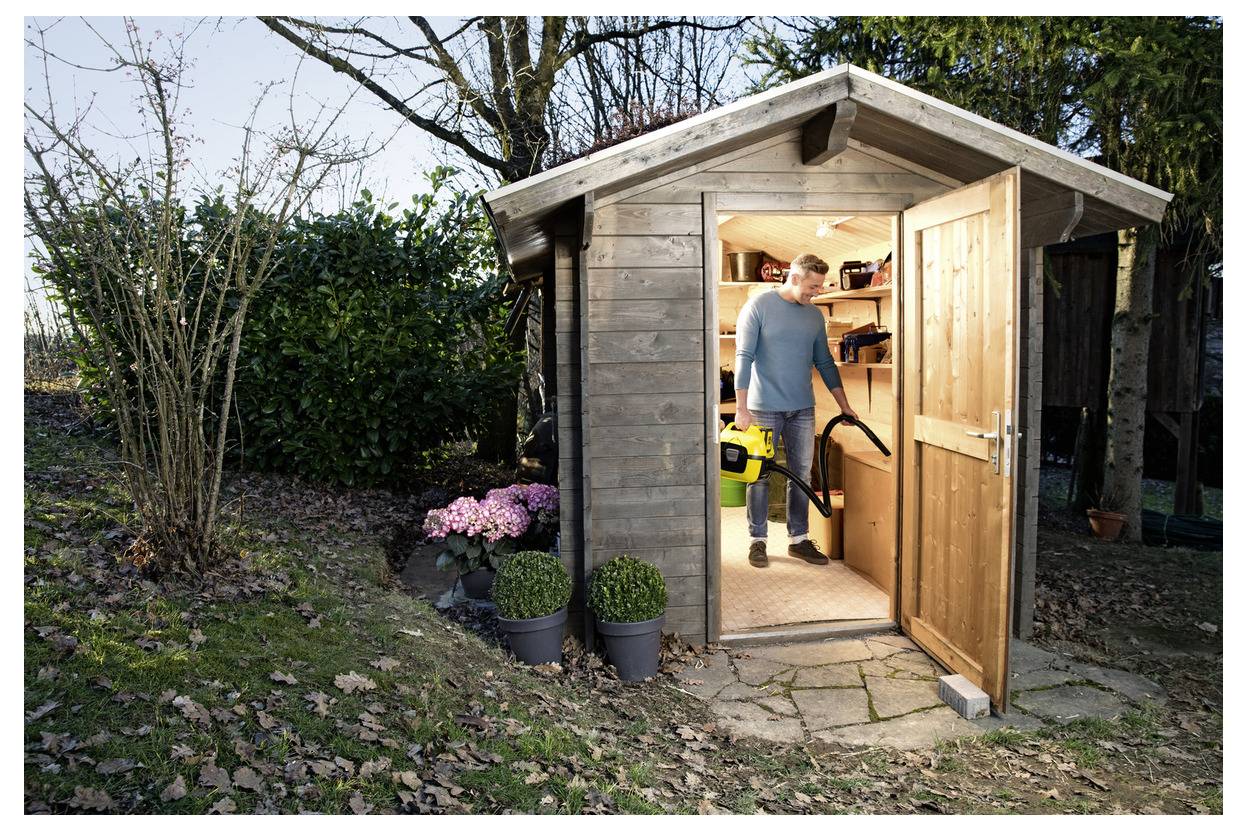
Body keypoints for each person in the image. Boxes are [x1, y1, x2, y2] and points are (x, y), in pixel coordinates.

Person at [733, 253, 859, 568]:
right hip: (763, 408)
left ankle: (798, 540)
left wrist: (845, 406)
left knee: (802, 474)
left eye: (819, 287)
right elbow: (744, 356)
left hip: (802, 408)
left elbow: (825, 363)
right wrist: (741, 408)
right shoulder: (758, 307)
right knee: (759, 475)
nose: (817, 292)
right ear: (795, 277)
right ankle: (757, 540)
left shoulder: (814, 317)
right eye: (813, 286)